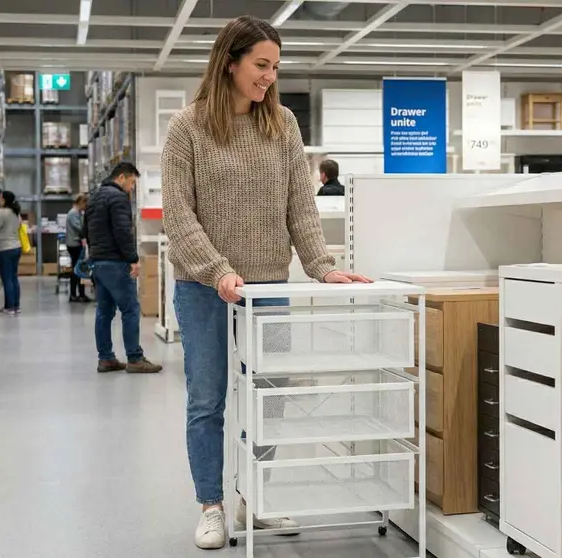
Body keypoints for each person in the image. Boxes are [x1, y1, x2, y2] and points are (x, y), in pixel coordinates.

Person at [161, 15, 370, 551]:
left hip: (269, 283)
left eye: (275, 67)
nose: (269, 78)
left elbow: (300, 205)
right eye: (261, 65)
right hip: (203, 285)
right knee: (207, 399)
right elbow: (179, 216)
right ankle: (211, 505)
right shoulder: (188, 127)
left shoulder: (283, 125)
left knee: (270, 395)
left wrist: (321, 263)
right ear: (229, 63)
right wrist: (217, 270)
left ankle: (256, 498)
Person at [83, 162, 163, 375]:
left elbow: (86, 230)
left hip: (98, 262)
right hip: (116, 262)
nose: (132, 188)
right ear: (121, 178)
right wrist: (133, 259)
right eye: (132, 182)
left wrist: (94, 255)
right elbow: (122, 231)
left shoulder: (94, 197)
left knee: (104, 311)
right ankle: (135, 358)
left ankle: (106, 358)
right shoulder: (118, 197)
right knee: (130, 309)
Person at [65, 193, 91, 303]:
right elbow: (79, 228)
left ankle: (80, 294)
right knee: (78, 270)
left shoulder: (78, 213)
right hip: (74, 244)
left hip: (76, 243)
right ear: (81, 202)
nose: (86, 206)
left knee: (79, 269)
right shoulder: (73, 213)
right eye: (85, 204)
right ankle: (74, 294)